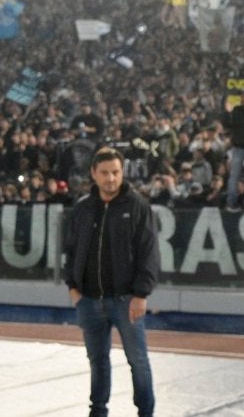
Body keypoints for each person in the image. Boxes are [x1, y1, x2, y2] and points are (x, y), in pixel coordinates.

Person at [64, 147, 159, 417]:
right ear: (93, 173)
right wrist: (73, 288)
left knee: (138, 361)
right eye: (104, 173)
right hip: (89, 301)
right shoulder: (83, 208)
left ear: (123, 173)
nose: (110, 178)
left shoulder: (138, 206)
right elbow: (69, 251)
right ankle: (98, 412)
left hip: (126, 301)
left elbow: (149, 253)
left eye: (116, 172)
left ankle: (146, 414)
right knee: (97, 362)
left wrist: (141, 294)